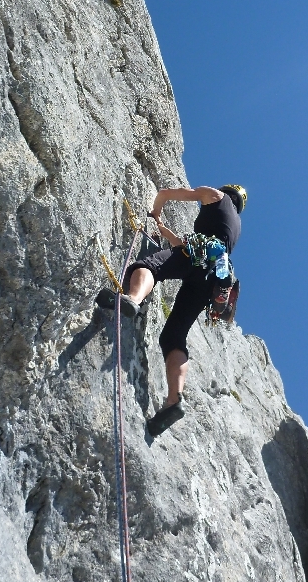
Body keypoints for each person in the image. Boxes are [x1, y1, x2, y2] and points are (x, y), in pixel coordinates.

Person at [96, 184, 246, 436]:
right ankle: (174, 399)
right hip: (213, 276)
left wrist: (155, 211)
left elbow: (166, 193)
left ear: (225, 191)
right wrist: (163, 229)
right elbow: (181, 245)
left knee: (150, 266)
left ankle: (132, 299)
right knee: (174, 336)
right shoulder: (233, 229)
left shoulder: (214, 196)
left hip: (196, 256)